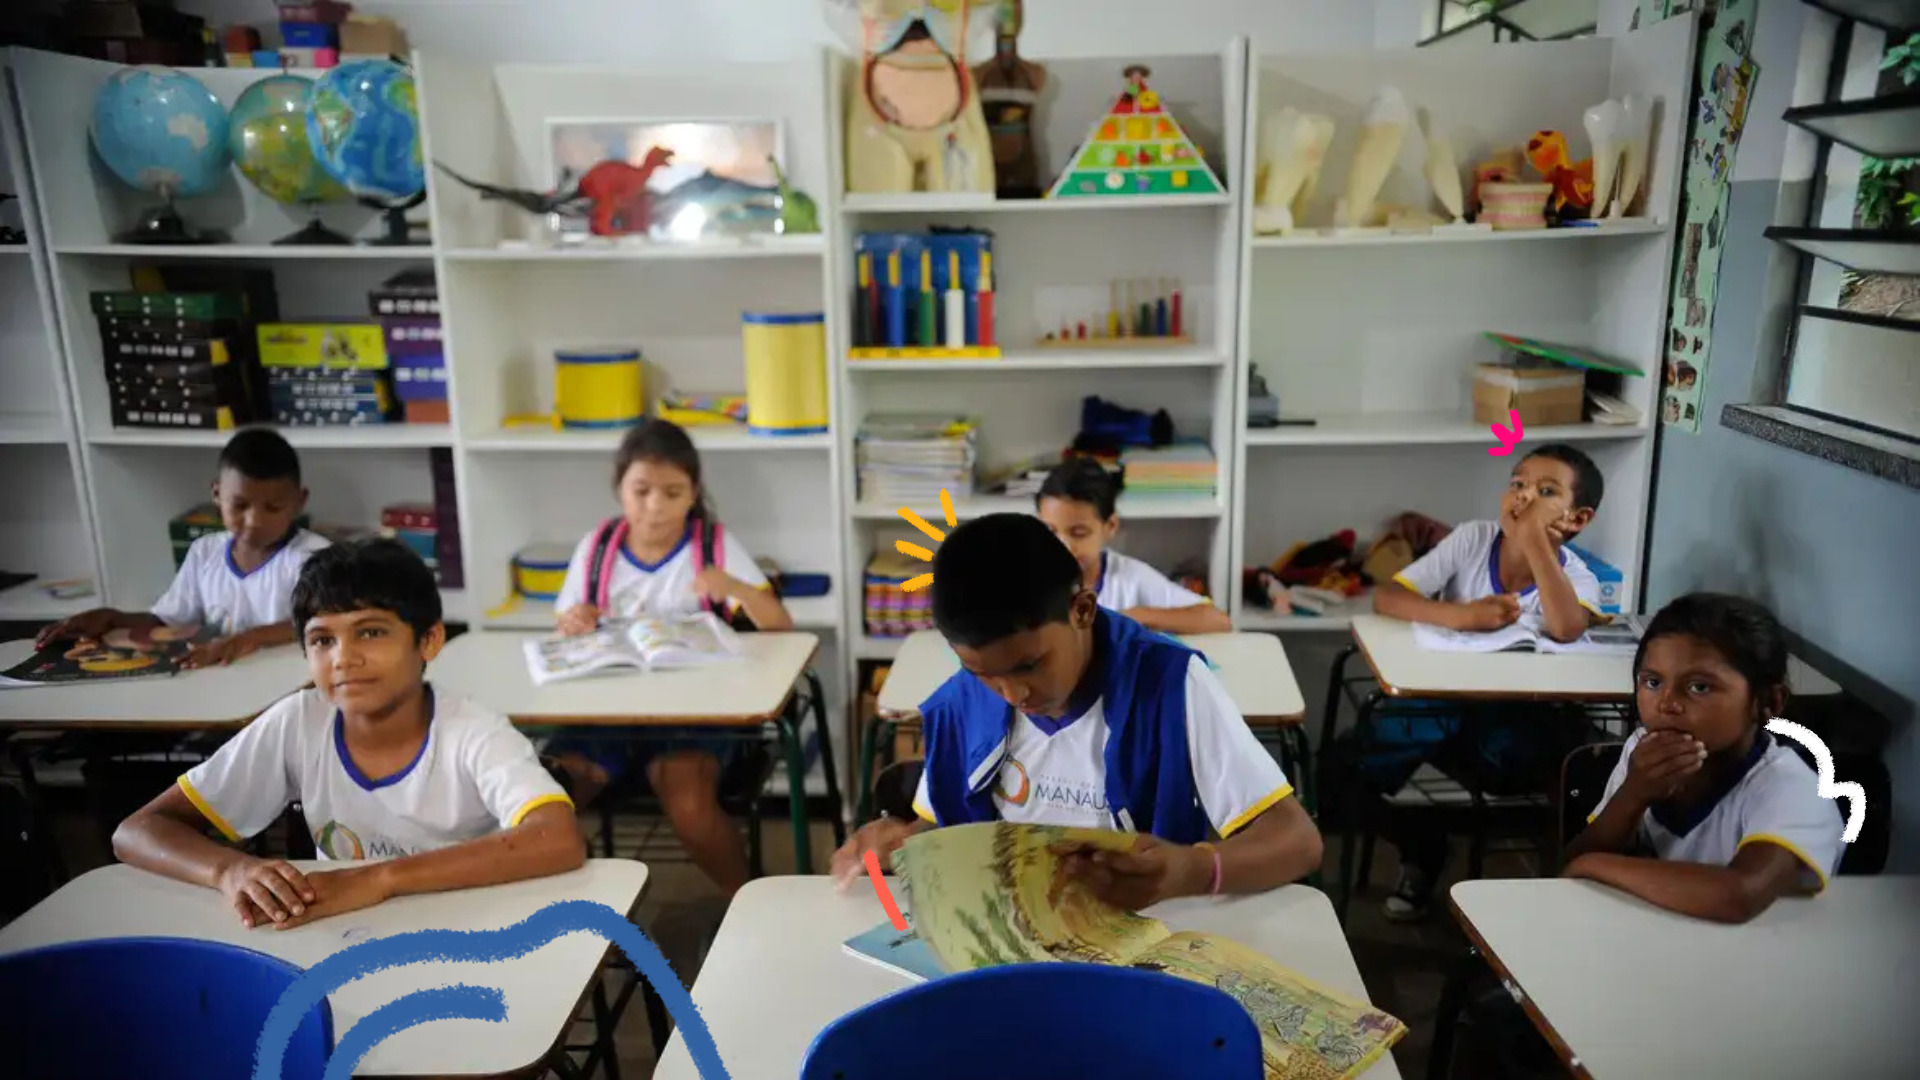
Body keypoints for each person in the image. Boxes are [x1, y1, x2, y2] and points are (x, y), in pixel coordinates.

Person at [831, 513, 1322, 910]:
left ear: (1083, 611)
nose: (1011, 693)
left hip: (1139, 935)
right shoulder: (965, 698)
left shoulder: (1170, 686)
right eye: (982, 671)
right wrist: (900, 841)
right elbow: (943, 826)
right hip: (1012, 934)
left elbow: (1297, 841)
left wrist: (1190, 870)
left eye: (1029, 664)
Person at [112, 538, 584, 930]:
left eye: (371, 633)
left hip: (475, 930)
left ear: (429, 641)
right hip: (347, 934)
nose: (344, 657)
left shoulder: (472, 731)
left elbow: (557, 838)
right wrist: (230, 869)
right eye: (322, 640)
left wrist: (379, 880)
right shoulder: (299, 721)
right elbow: (137, 831)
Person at [1354, 443, 1607, 921]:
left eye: (1546, 491)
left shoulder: (1578, 578)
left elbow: (1567, 627)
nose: (1525, 498)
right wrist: (1461, 615)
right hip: (1440, 709)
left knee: (1568, 764)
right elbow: (1388, 598)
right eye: (1517, 484)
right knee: (1346, 769)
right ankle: (1422, 848)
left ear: (1577, 519)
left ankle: (1541, 902)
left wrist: (1535, 543)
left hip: (1515, 731)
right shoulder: (1473, 540)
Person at [549, 418, 791, 896]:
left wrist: (736, 587)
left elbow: (779, 626)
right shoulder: (598, 548)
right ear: (619, 488)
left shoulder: (711, 545)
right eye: (640, 491)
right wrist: (573, 622)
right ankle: (577, 916)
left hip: (696, 714)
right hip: (606, 712)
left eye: (672, 492)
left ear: (693, 492)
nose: (655, 507)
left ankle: (744, 900)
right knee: (549, 794)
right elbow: (566, 625)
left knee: (688, 805)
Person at [1563, 593, 1844, 923]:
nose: (1667, 703)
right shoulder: (1642, 751)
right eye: (1652, 682)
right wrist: (1634, 793)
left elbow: (1738, 896)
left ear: (1769, 701)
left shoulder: (1791, 788)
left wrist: (1594, 865)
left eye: (1699, 687)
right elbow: (1577, 858)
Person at [35, 427, 329, 668]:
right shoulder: (204, 552)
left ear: (299, 502)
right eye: (239, 505)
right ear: (217, 494)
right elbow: (169, 620)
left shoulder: (313, 557)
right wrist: (112, 618)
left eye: (273, 508)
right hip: (220, 686)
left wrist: (247, 639)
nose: (254, 521)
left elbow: (327, 623)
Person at [1033, 457, 1229, 635]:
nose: (1064, 546)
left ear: (1110, 526)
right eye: (1050, 532)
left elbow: (1219, 621)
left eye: (1079, 533)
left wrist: (1135, 616)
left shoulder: (1129, 578)